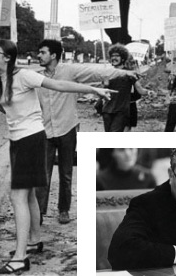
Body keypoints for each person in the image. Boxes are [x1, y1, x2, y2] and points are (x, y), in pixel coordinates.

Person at [0, 38, 116, 275]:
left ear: (7, 57)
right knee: (30, 194)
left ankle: (20, 257)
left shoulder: (25, 76)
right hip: (17, 140)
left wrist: (93, 89)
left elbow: (60, 86)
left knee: (17, 197)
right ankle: (34, 240)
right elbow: (10, 109)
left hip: (30, 140)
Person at [35, 39, 140, 225]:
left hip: (67, 128)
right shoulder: (37, 76)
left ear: (53, 55)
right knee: (43, 173)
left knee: (66, 173)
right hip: (45, 130)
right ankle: (39, 212)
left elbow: (99, 71)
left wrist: (125, 72)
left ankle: (64, 210)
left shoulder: (70, 71)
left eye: (42, 52)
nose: (38, 55)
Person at [102, 44, 145, 132]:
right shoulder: (108, 73)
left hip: (121, 111)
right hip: (107, 110)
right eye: (112, 56)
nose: (114, 58)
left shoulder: (130, 74)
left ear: (123, 58)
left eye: (117, 56)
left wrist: (149, 92)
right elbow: (101, 92)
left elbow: (140, 90)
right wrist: (105, 84)